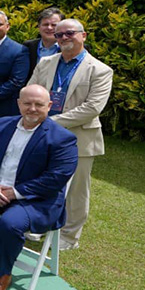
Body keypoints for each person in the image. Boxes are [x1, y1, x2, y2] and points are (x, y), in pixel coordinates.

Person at [0, 85, 78, 290]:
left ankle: (2, 273)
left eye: (39, 104)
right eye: (27, 103)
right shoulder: (3, 124)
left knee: (10, 224)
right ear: (18, 104)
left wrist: (14, 192)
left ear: (49, 106)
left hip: (36, 200)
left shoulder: (63, 138)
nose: (32, 108)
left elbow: (55, 178)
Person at [28, 19, 113, 251]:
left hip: (79, 138)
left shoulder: (100, 70)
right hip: (44, 134)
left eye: (69, 33)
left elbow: (92, 108)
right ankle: (39, 224)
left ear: (83, 35)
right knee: (42, 181)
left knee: (76, 190)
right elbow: (30, 91)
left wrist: (51, 121)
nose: (64, 38)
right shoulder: (46, 63)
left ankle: (69, 235)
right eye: (59, 35)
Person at [24, 7, 64, 75]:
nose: (49, 28)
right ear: (39, 27)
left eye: (54, 25)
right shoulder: (28, 46)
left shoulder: (69, 47)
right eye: (45, 24)